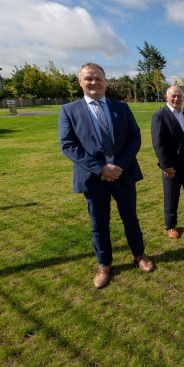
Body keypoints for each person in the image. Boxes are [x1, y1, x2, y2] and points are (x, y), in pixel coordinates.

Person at [59, 63, 154, 289]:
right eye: (88, 79)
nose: (94, 83)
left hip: (123, 174)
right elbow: (68, 145)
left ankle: (139, 255)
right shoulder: (69, 111)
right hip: (94, 179)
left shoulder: (121, 108)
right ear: (80, 82)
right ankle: (104, 264)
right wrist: (101, 168)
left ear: (105, 81)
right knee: (99, 223)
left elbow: (135, 137)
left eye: (98, 78)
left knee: (130, 217)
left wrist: (117, 166)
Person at [151, 85, 184, 239]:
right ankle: (171, 225)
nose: (176, 99)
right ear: (166, 97)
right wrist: (165, 165)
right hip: (172, 167)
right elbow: (158, 143)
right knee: (171, 196)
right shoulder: (160, 116)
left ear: (183, 97)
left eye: (179, 96)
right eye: (173, 96)